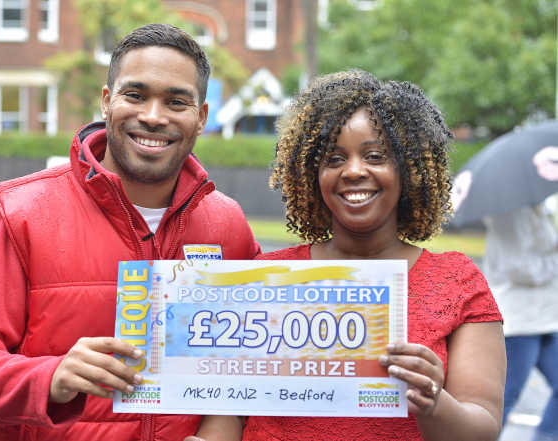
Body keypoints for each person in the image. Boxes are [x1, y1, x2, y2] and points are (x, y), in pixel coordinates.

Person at [0, 23, 260, 441]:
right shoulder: (20, 213)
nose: (153, 116)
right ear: (107, 102)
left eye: (176, 101)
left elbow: (249, 366)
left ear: (201, 118)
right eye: (135, 95)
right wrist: (51, 378)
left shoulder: (228, 224)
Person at [189, 70, 506, 441]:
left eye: (375, 156)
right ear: (312, 175)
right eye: (334, 159)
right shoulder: (266, 278)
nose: (354, 171)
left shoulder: (459, 283)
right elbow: (228, 407)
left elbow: (483, 429)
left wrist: (433, 401)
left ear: (408, 171)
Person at [482, 196, 558, 441]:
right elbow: (519, 268)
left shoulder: (540, 208)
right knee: (505, 397)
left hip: (546, 317)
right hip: (518, 322)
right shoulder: (506, 214)